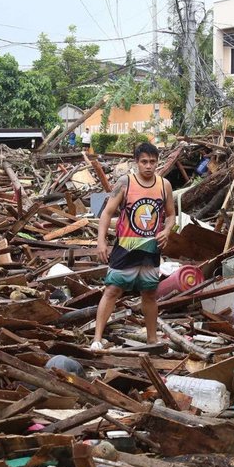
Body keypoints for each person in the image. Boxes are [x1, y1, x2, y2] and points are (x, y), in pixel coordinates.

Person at [92, 142, 175, 350]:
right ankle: (97, 339)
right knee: (112, 290)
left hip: (151, 248)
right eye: (144, 161)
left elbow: (171, 215)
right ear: (136, 162)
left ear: (157, 162)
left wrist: (167, 231)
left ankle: (152, 339)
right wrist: (101, 241)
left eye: (152, 162)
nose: (148, 166)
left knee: (149, 294)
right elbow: (107, 213)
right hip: (126, 246)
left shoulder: (164, 185)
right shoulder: (125, 183)